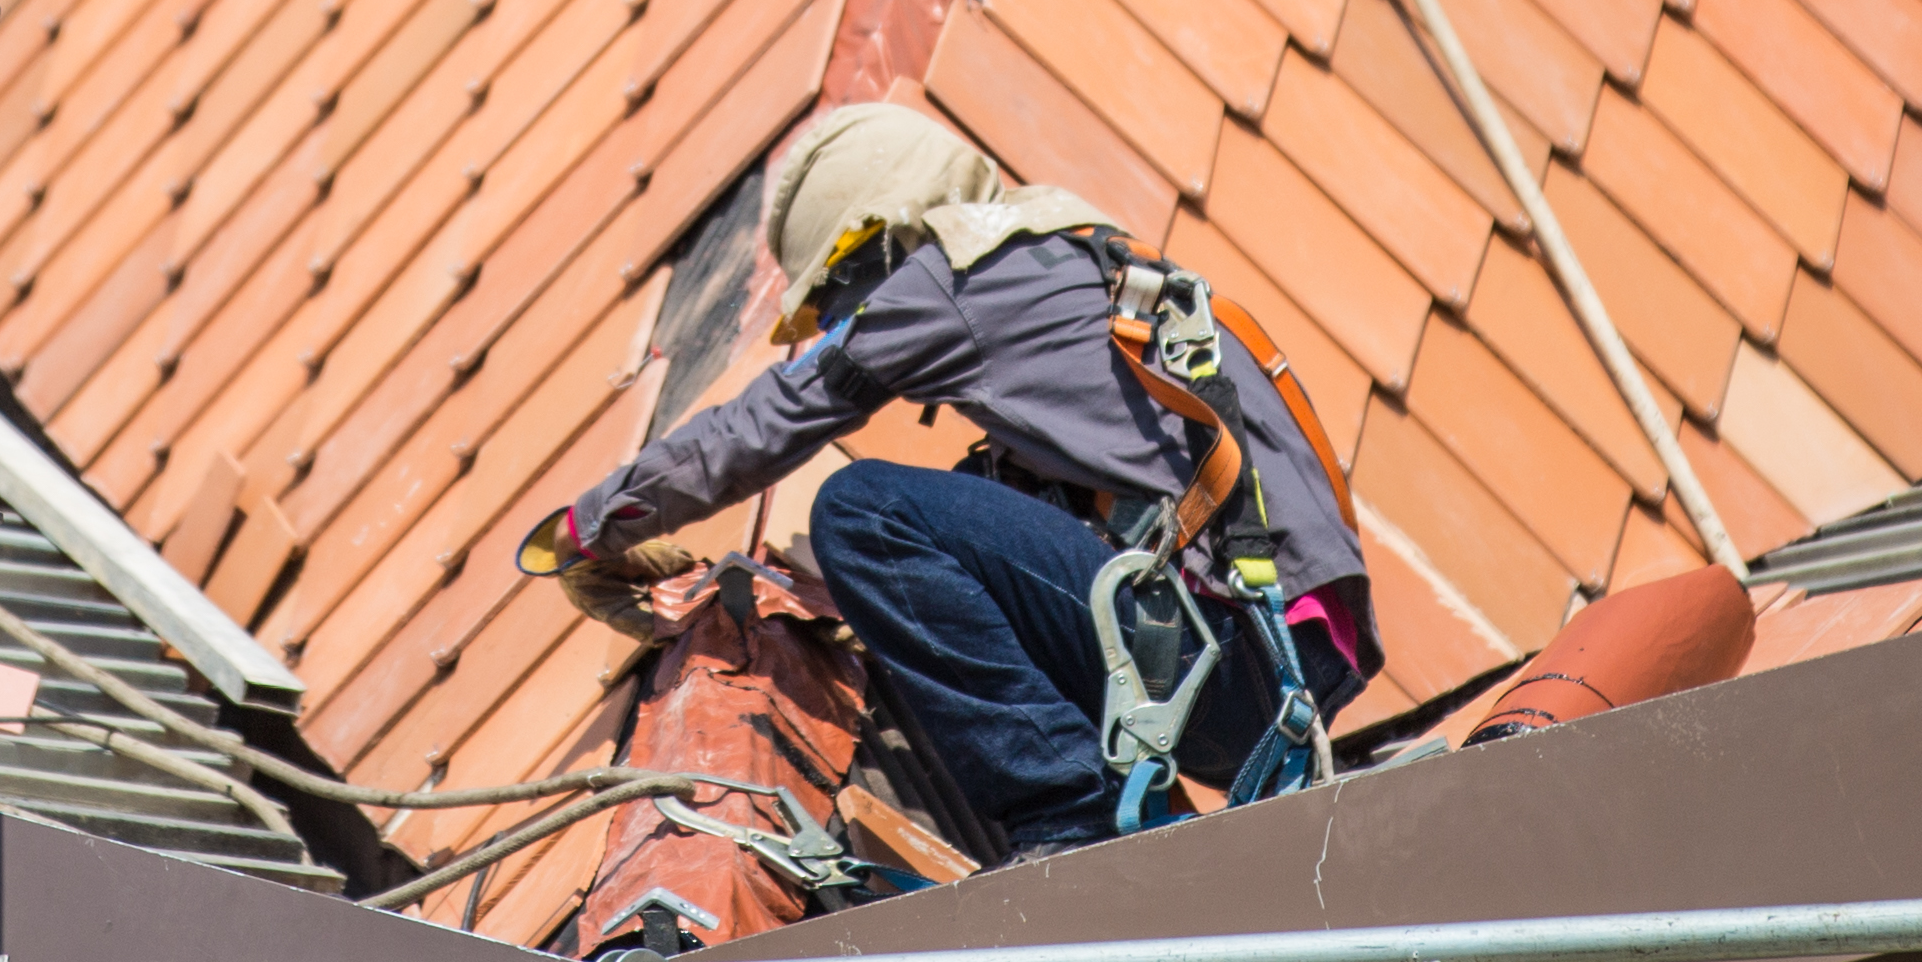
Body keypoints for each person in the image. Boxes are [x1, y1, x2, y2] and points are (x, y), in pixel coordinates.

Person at [535, 103, 1373, 860]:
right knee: (979, 494)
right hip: (1278, 667)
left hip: (1233, 659)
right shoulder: (1065, 262)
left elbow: (766, 423)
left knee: (865, 515)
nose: (840, 326)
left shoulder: (953, 276)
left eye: (837, 298)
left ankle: (1070, 818)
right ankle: (1122, 800)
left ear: (888, 235)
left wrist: (588, 527)